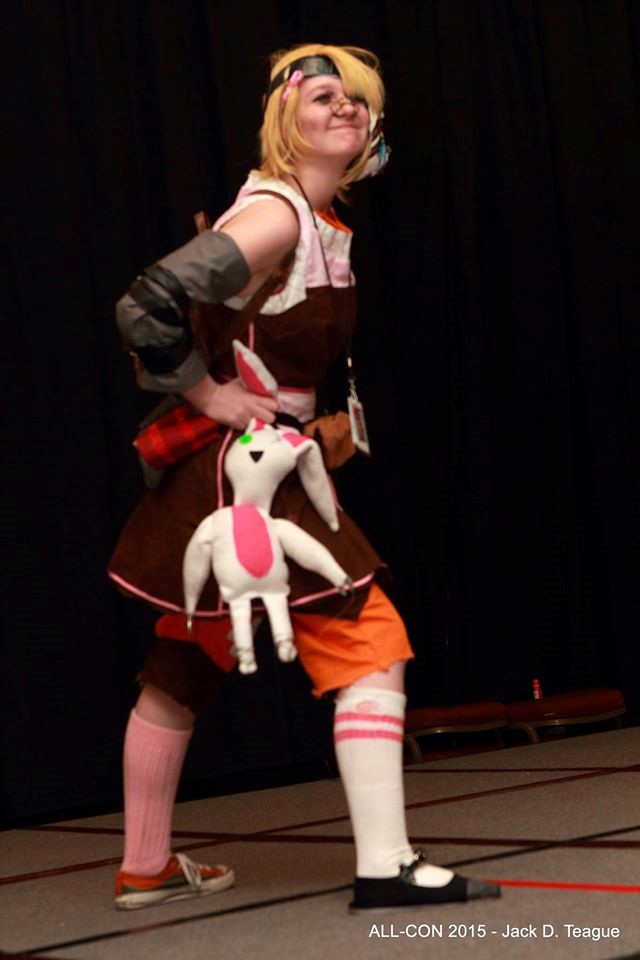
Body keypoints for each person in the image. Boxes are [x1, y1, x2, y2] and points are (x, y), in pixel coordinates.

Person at [109, 43, 501, 912]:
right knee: (371, 642)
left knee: (183, 662)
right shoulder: (276, 217)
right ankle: (386, 866)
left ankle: (144, 867)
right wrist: (211, 395)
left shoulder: (312, 220)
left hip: (241, 470)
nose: (344, 108)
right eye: (322, 96)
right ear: (285, 119)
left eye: (355, 98)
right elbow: (147, 306)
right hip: (245, 477)